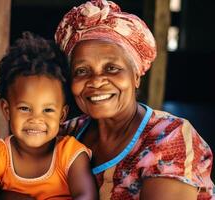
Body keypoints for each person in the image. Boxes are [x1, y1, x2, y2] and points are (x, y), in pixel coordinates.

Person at [53, 0, 215, 199]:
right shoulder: (64, 135)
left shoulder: (169, 137)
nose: (96, 81)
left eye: (112, 68)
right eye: (82, 70)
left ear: (136, 76)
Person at [0, 31, 98, 200]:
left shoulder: (70, 154)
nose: (36, 119)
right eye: (25, 108)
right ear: (7, 110)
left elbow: (86, 196)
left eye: (48, 110)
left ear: (62, 115)